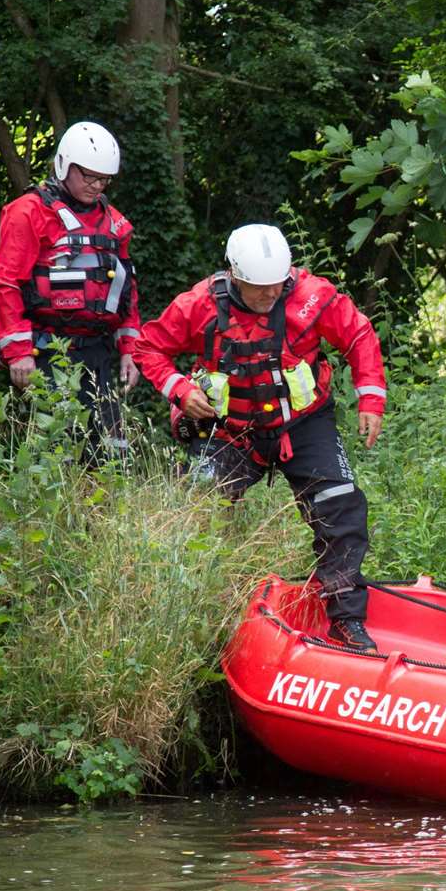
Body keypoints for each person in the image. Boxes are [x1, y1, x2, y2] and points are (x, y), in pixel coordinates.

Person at [134, 223, 386, 650]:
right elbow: (148, 347)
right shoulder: (198, 305)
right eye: (259, 289)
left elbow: (359, 334)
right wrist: (179, 389)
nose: (271, 295)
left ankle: (346, 618)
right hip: (229, 430)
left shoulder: (312, 296)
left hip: (303, 424)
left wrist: (371, 399)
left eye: (277, 286)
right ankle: (185, 608)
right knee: (197, 506)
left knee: (340, 505)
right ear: (234, 277)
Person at [0, 120, 140, 461]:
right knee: (57, 455)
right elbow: (4, 283)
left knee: (110, 456)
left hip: (96, 354)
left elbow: (126, 291)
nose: (97, 186)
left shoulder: (115, 224)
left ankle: (102, 515)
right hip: (46, 350)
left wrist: (129, 349)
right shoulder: (29, 212)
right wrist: (19, 351)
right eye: (89, 176)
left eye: (105, 179)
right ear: (65, 165)